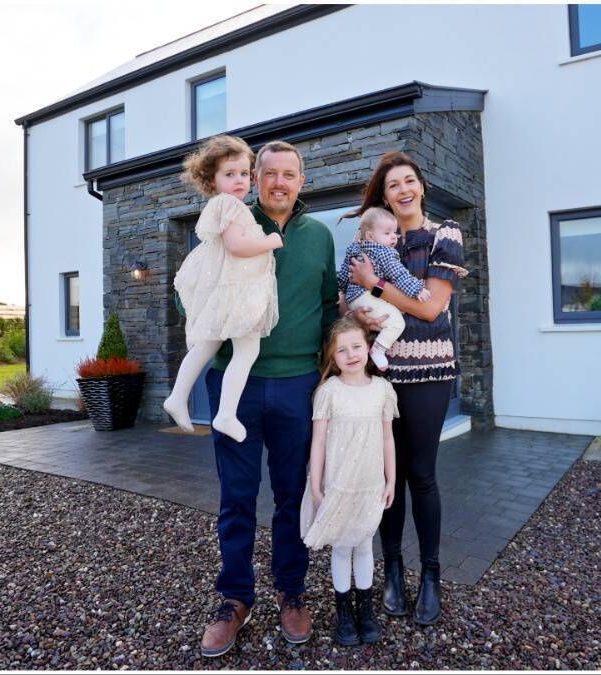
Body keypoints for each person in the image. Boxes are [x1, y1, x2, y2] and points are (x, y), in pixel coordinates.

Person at [198, 141, 339, 658]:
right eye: (270, 174)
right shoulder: (230, 221)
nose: (279, 182)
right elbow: (189, 289)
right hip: (233, 383)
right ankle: (235, 597)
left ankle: (290, 590)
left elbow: (329, 307)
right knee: (236, 496)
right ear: (255, 178)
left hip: (298, 384)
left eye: (290, 174)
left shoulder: (319, 236)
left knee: (290, 494)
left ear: (302, 181)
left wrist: (330, 377)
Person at [346, 151, 468, 626]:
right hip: (380, 374)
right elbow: (350, 296)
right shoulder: (378, 240)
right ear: (384, 195)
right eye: (393, 184)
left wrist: (374, 287)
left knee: (421, 475)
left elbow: (433, 309)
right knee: (386, 480)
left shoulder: (444, 235)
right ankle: (392, 569)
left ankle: (431, 575)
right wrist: (355, 302)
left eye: (409, 181)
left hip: (429, 373)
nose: (403, 190)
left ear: (421, 187)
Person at [165, 135, 282, 441]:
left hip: (227, 289)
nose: (239, 180)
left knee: (209, 344)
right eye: (229, 174)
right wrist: (271, 240)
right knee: (247, 348)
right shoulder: (229, 204)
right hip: (233, 290)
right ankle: (225, 414)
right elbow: (236, 246)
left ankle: (178, 398)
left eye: (244, 174)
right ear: (212, 179)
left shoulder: (229, 205)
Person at [299, 317, 397, 646]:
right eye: (342, 350)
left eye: (356, 346)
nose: (351, 354)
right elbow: (319, 442)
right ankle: (344, 612)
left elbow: (387, 439)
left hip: (370, 483)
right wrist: (315, 483)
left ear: (369, 348)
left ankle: (365, 610)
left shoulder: (383, 390)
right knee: (342, 547)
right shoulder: (328, 392)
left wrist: (391, 479)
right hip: (338, 483)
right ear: (332, 357)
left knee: (365, 544)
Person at [336, 207, 431, 371]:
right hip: (366, 296)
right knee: (396, 323)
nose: (393, 237)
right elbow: (399, 275)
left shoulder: (354, 249)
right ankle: (378, 349)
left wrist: (339, 290)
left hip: (354, 299)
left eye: (394, 232)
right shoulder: (385, 252)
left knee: (389, 313)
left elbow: (344, 276)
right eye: (387, 233)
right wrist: (417, 290)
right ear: (370, 236)